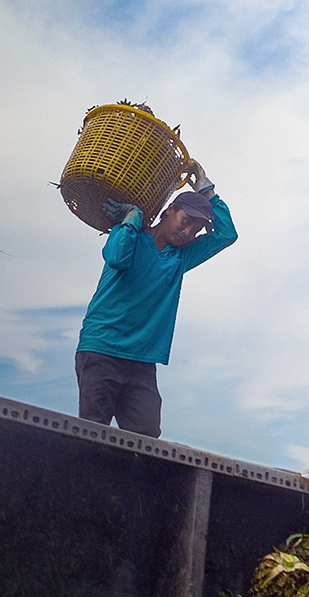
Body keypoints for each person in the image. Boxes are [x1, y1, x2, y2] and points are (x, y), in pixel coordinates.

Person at [75, 163, 236, 437]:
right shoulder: (130, 235)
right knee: (92, 433)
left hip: (141, 362)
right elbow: (116, 258)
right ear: (169, 211)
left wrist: (206, 189)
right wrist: (132, 217)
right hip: (101, 350)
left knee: (147, 438)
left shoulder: (181, 257)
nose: (188, 233)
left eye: (196, 230)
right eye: (186, 221)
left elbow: (226, 234)